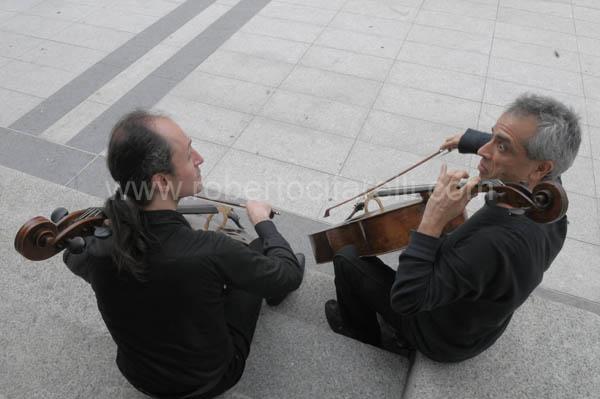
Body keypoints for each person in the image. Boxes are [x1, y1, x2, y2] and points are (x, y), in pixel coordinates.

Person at [63, 110, 305, 398]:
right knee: (256, 254)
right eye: (190, 155)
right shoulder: (211, 250)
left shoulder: (91, 248)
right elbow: (287, 276)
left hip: (139, 376)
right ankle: (267, 282)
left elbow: (72, 258)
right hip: (210, 380)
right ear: (162, 182)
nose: (200, 159)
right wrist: (263, 222)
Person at [324, 93, 581, 362]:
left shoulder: (494, 244)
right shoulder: (549, 198)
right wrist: (469, 140)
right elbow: (519, 147)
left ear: (541, 168)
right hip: (480, 323)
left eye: (501, 146)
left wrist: (433, 220)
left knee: (345, 256)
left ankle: (358, 331)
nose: (484, 150)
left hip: (442, 337)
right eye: (492, 137)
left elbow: (407, 299)